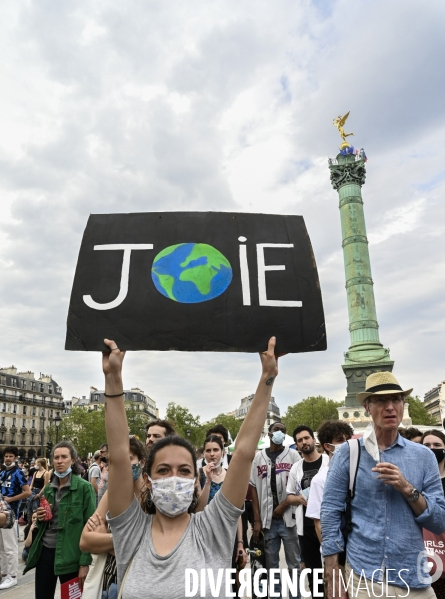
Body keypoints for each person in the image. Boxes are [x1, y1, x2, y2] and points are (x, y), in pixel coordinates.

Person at [101, 336, 281, 598]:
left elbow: (243, 453)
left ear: (194, 478)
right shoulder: (131, 529)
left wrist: (268, 377)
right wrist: (113, 377)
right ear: (148, 480)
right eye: (163, 470)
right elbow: (118, 455)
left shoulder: (213, 526)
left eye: (184, 470)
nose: (174, 477)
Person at [321, 372, 445, 599]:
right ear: (367, 407)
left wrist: (407, 489)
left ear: (403, 404)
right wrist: (332, 575)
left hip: (413, 577)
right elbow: (330, 513)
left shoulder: (423, 456)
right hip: (364, 575)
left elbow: (439, 522)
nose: (390, 407)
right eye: (381, 400)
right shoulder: (349, 453)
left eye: (396, 399)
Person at [23, 441, 96, 599]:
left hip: (71, 556)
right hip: (45, 553)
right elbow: (45, 521)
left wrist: (84, 562)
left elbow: (90, 527)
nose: (59, 461)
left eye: (64, 457)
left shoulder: (84, 488)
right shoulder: (48, 488)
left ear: (73, 460)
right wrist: (40, 517)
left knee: (71, 597)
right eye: (56, 457)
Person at [80, 436, 146, 599]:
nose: (123, 465)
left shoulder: (151, 498)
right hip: (109, 583)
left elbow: (146, 548)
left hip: (140, 583)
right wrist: (123, 540)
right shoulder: (112, 494)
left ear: (142, 462)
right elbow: (85, 541)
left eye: (129, 459)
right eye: (117, 461)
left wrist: (104, 538)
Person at [250, 421, 301, 599]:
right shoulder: (259, 458)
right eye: (276, 430)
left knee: (294, 564)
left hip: (289, 520)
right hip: (268, 521)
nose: (279, 432)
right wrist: (256, 520)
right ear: (269, 434)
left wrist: (284, 504)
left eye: (282, 431)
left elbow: (299, 487)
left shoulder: (293, 456)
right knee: (272, 566)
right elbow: (253, 488)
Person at [195, 435, 247, 590]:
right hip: (205, 536)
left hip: (227, 536)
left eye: (215, 450)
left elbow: (235, 513)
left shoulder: (230, 475)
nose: (212, 454)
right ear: (203, 453)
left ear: (223, 452)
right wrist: (208, 481)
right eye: (208, 450)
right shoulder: (198, 474)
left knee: (228, 581)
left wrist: (240, 543)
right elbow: (199, 507)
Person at [287, 425, 329, 598]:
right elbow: (289, 496)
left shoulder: (328, 461)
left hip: (328, 524)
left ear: (314, 439)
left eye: (306, 438)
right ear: (297, 445)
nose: (304, 442)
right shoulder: (296, 468)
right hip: (306, 527)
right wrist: (299, 499)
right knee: (313, 572)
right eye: (300, 440)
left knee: (333, 569)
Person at [305, 420, 353, 553]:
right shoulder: (320, 480)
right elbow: (319, 523)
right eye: (340, 440)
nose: (346, 443)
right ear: (327, 446)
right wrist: (331, 557)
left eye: (348, 439)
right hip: (339, 550)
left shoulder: (358, 472)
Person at [0, 445, 31, 589]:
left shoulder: (18, 473)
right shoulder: (2, 473)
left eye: (10, 456)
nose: (7, 458)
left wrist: (10, 499)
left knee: (10, 546)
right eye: (6, 456)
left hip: (11, 514)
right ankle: (4, 573)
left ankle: (12, 576)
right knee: (1, 546)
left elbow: (27, 492)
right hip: (1, 513)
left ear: (16, 458)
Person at [421, 429, 445, 599]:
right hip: (422, 557)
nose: (431, 449)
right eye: (426, 445)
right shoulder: (414, 480)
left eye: (437, 445)